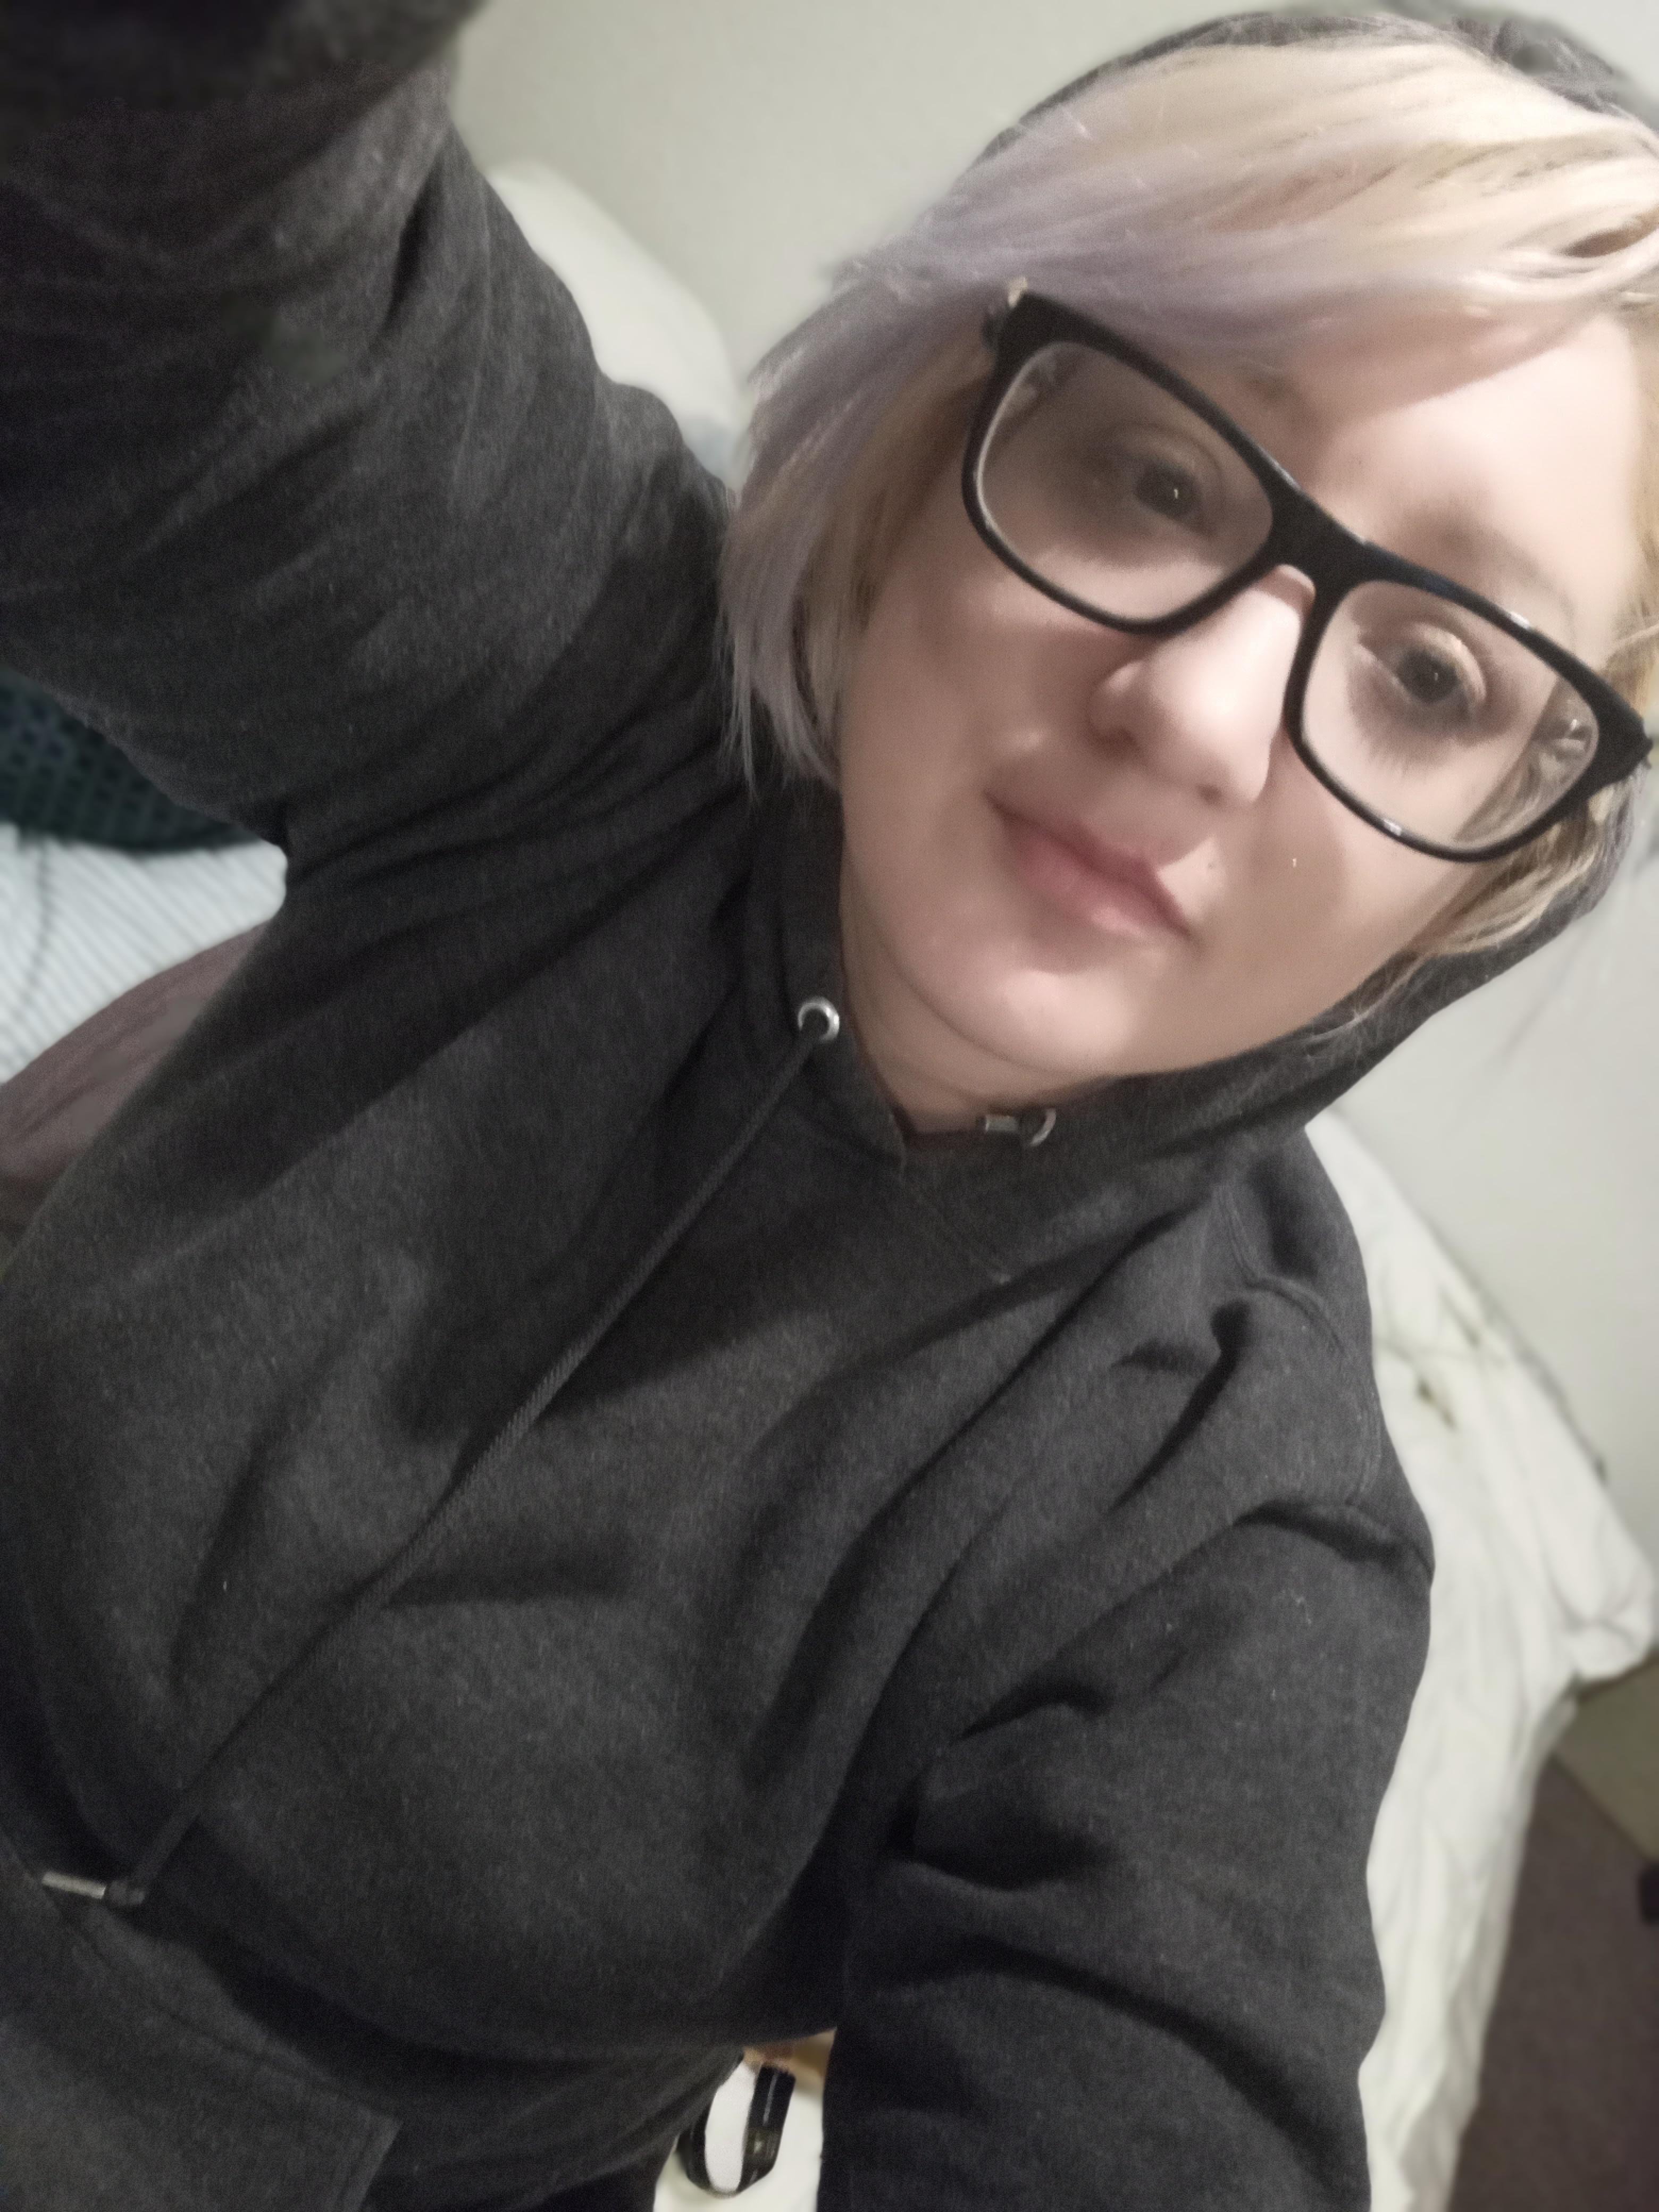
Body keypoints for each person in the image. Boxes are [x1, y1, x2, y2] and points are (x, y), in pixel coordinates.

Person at [0, 6, 1654, 2208]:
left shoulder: (1223, 1527)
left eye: (1434, 674)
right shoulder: (588, 678)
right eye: (1156, 470)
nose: (1193, 708)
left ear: (1502, 864)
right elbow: (159, 284)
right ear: (936, 436)